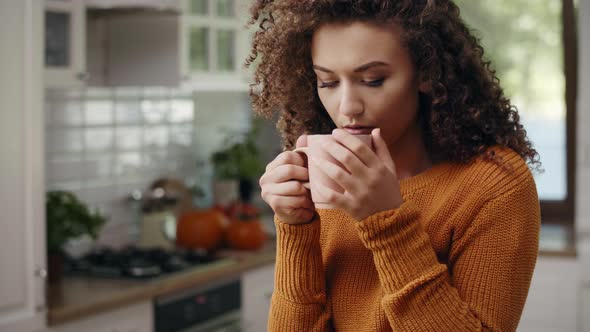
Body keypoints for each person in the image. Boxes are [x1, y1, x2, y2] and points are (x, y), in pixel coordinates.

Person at [248, 0, 541, 331]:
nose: (347, 107)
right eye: (327, 82)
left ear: (427, 74)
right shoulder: (321, 180)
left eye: (373, 80)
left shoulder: (494, 185)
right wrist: (295, 229)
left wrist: (386, 222)